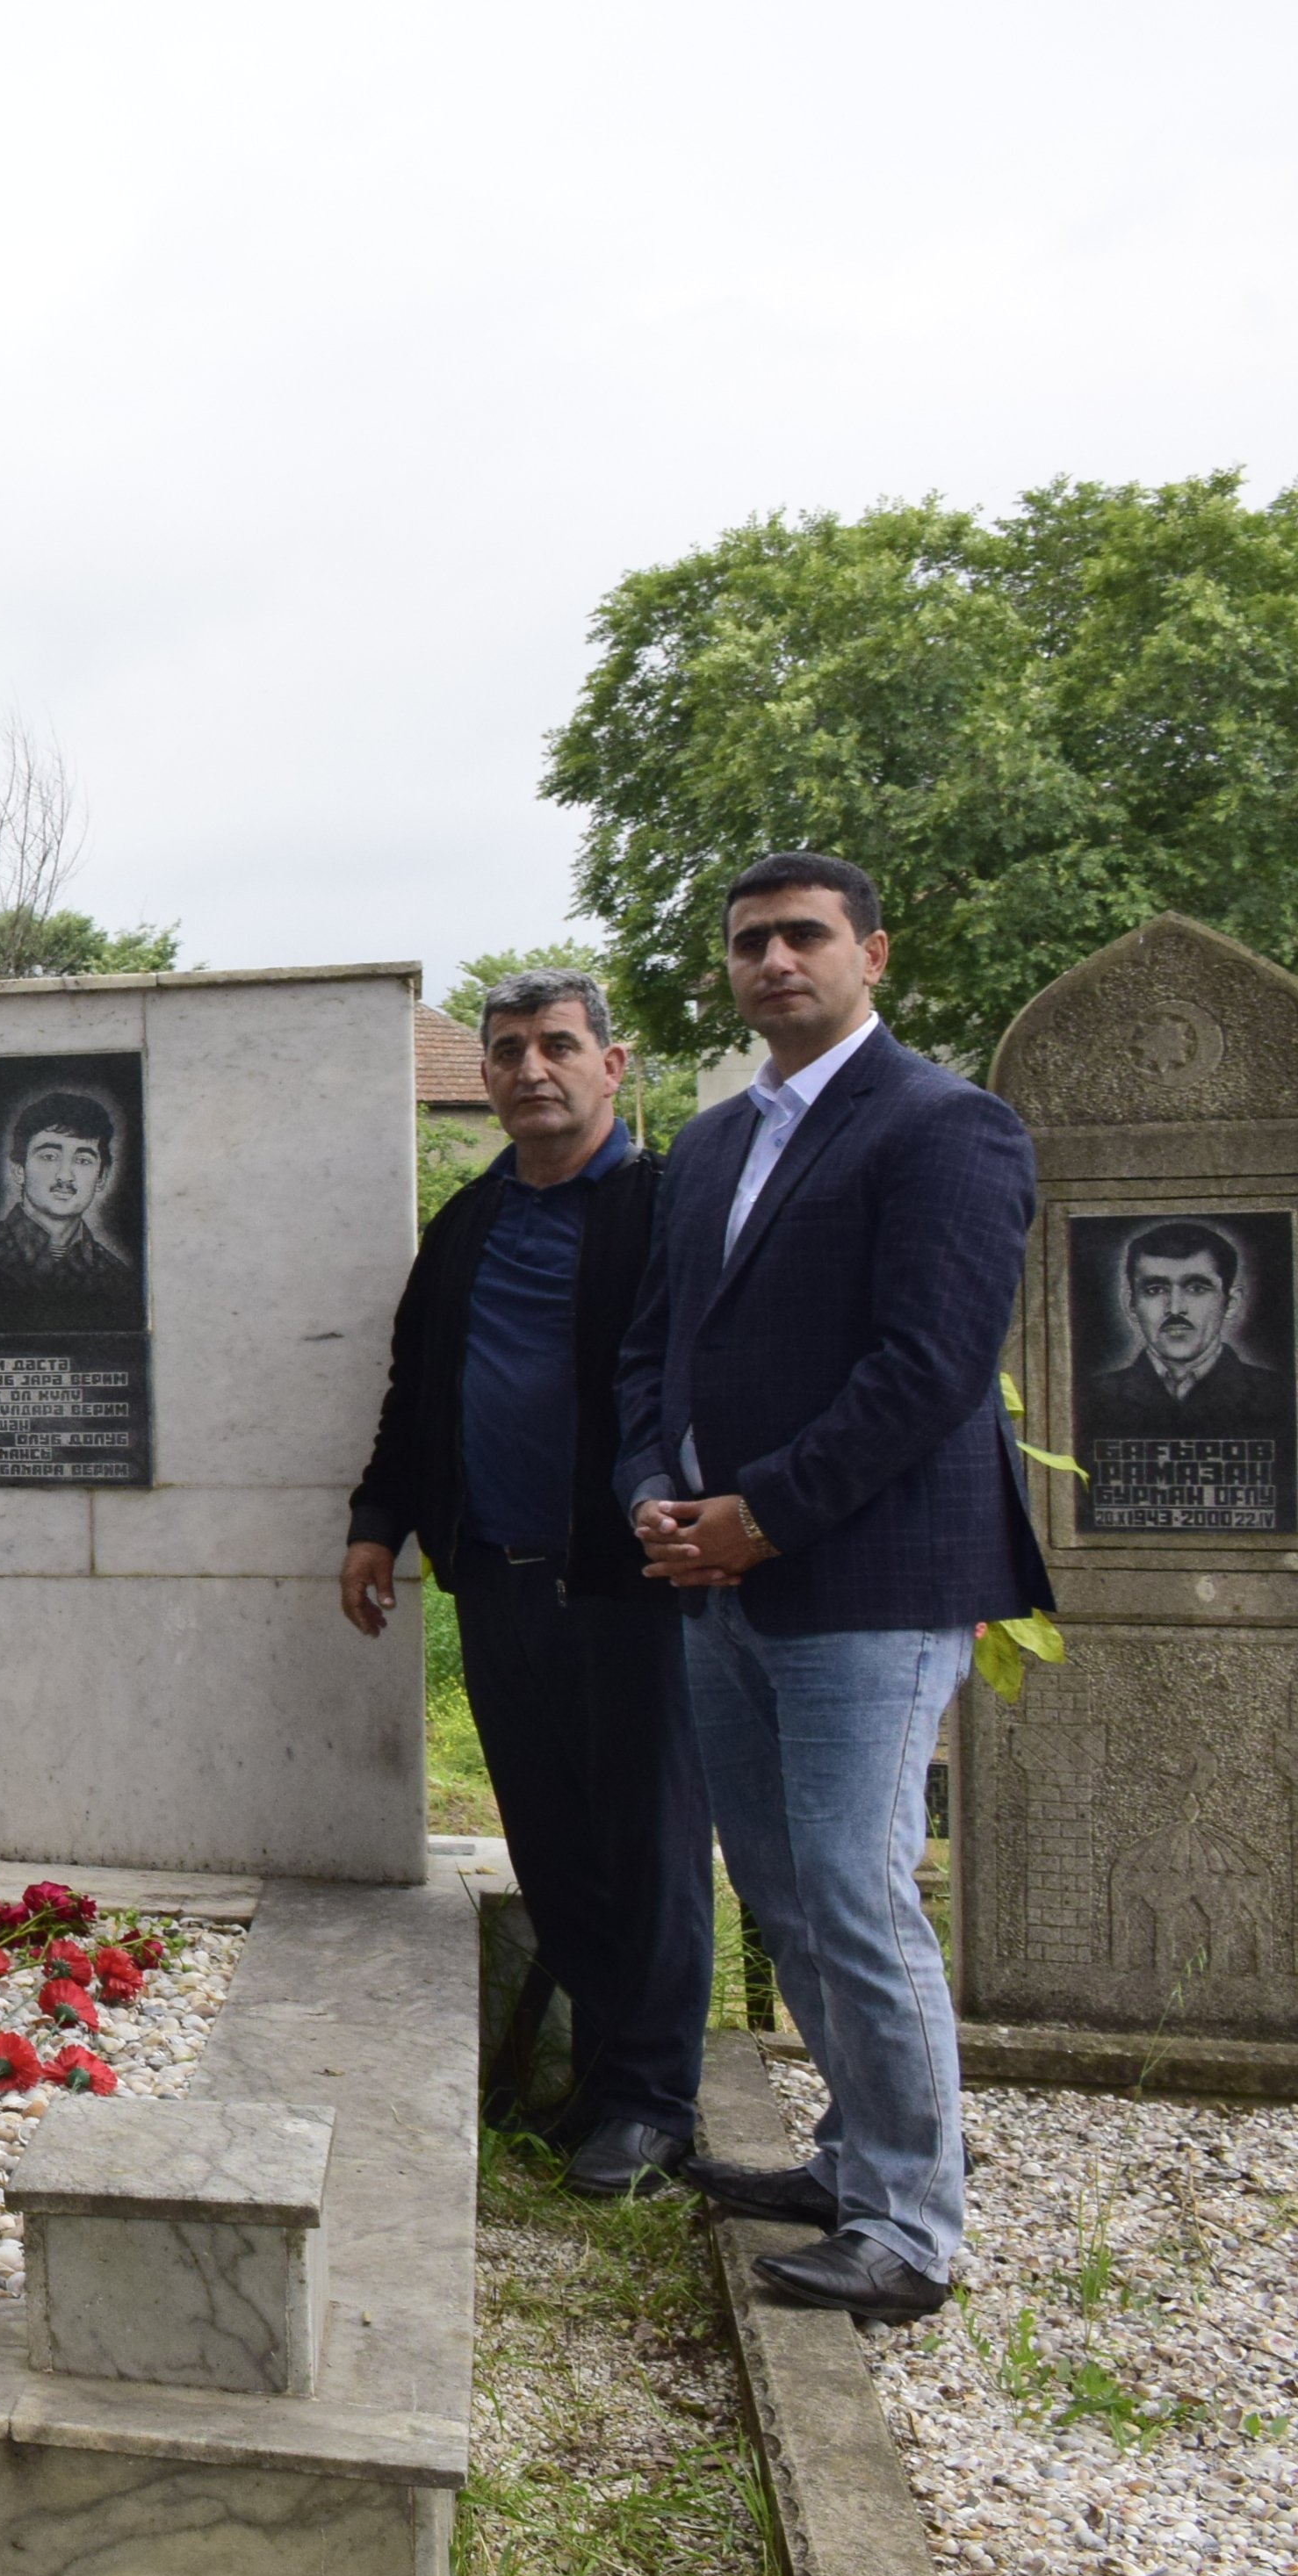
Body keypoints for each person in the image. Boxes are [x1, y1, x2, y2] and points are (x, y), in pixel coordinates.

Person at [617, 851, 1052, 2326]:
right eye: (750, 942)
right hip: (714, 1577)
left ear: (873, 952)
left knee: (858, 1891)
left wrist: (763, 1516)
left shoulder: (945, 1125)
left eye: (804, 935)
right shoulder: (712, 1141)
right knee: (784, 1885)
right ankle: (853, 2156)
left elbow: (930, 1369)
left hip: (866, 1579)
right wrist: (651, 1494)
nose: (775, 961)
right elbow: (654, 1352)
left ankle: (911, 2229)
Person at [343, 968, 703, 2198]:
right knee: (551, 1845)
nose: (529, 1069)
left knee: (645, 1847)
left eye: (556, 1044)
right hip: (495, 1582)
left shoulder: (665, 1208)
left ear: (611, 1063)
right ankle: (596, 2078)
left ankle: (654, 2104)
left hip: (627, 1585)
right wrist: (379, 1523)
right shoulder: (468, 1224)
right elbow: (416, 1390)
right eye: (506, 1050)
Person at [1085, 1221, 1272, 1437]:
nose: (1175, 1309)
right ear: (1131, 1305)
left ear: (1230, 1303)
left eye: (1197, 1288)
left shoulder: (1282, 1395)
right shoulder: (1088, 1398)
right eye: (1155, 1290)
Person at [0, 1093, 137, 1307]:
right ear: (19, 1170)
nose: (65, 1176)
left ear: (101, 1177)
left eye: (82, 1160)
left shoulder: (119, 1280)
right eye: (49, 1156)